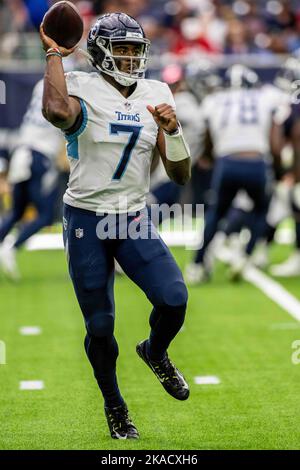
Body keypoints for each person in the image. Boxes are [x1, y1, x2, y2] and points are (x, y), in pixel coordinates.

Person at [39, 12, 191, 440]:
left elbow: (180, 176)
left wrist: (174, 131)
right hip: (87, 218)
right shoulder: (81, 86)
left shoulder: (157, 91)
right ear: (101, 52)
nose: (129, 57)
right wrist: (54, 53)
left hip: (133, 217)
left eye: (134, 49)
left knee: (174, 298)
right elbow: (55, 110)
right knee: (100, 326)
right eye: (121, 49)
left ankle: (155, 352)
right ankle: (115, 406)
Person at [185, 65, 276, 283]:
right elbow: (274, 137)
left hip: (227, 162)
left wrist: (209, 155)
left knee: (216, 213)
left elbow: (207, 135)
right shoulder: (264, 98)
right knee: (261, 208)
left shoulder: (215, 100)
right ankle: (243, 257)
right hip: (256, 161)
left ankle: (197, 264)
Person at [0, 79, 64, 279]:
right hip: (39, 155)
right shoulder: (66, 86)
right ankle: (12, 247)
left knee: (18, 211)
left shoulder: (40, 83)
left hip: (22, 150)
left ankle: (7, 245)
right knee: (45, 214)